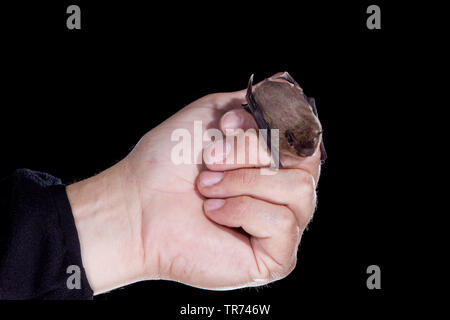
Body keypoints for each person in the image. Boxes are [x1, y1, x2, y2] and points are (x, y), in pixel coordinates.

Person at [0, 74, 322, 299]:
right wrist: (134, 213)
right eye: (296, 144)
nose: (307, 153)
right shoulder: (269, 123)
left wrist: (131, 209)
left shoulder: (300, 127)